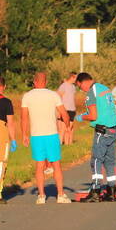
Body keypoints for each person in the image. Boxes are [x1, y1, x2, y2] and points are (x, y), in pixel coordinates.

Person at [22, 72, 72, 204]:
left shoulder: (27, 96)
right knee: (56, 165)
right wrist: (67, 126)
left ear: (34, 82)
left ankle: (41, 196)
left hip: (36, 135)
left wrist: (24, 134)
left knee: (39, 166)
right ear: (46, 82)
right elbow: (64, 114)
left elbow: (24, 118)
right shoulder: (53, 95)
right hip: (51, 134)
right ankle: (60, 195)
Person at [75, 72, 116, 202]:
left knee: (96, 160)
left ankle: (95, 191)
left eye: (80, 87)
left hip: (103, 130)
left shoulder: (91, 92)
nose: (81, 90)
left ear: (82, 82)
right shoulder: (104, 88)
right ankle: (112, 191)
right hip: (113, 129)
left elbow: (93, 116)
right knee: (110, 161)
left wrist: (81, 117)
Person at [57, 72, 78, 145]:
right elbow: (59, 97)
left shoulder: (73, 87)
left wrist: (75, 109)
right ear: (72, 77)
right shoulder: (63, 86)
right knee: (63, 129)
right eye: (75, 78)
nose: (76, 80)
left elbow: (72, 98)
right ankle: (59, 144)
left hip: (72, 110)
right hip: (65, 110)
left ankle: (67, 144)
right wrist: (60, 110)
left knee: (69, 129)